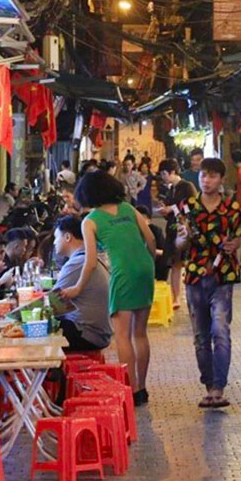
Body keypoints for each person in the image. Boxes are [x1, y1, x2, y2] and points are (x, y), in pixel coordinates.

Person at [62, 171, 157, 405]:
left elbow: (90, 261)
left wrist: (76, 287)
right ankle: (142, 387)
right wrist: (148, 262)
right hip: (145, 268)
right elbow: (151, 239)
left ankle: (132, 391)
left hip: (123, 272)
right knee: (140, 333)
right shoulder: (128, 208)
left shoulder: (90, 220)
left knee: (122, 336)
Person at [177, 157, 241, 408]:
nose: (207, 180)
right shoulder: (187, 208)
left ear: (221, 179)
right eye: (204, 175)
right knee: (201, 336)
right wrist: (183, 237)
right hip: (194, 275)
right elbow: (178, 245)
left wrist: (235, 244)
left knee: (221, 331)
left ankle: (218, 388)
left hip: (222, 276)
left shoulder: (232, 209)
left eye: (213, 176)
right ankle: (208, 384)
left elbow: (238, 238)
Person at [51, 215, 114, 351]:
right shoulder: (87, 258)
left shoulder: (78, 263)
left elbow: (52, 303)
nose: (54, 242)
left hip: (86, 334)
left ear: (67, 237)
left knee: (34, 333)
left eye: (56, 237)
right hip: (98, 333)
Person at [157, 159, 197, 307]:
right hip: (173, 229)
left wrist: (172, 209)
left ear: (173, 172)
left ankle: (191, 295)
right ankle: (176, 298)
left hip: (184, 230)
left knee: (185, 263)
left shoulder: (187, 187)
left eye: (164, 173)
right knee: (175, 263)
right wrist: (165, 210)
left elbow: (191, 208)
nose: (163, 177)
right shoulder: (171, 189)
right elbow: (170, 212)